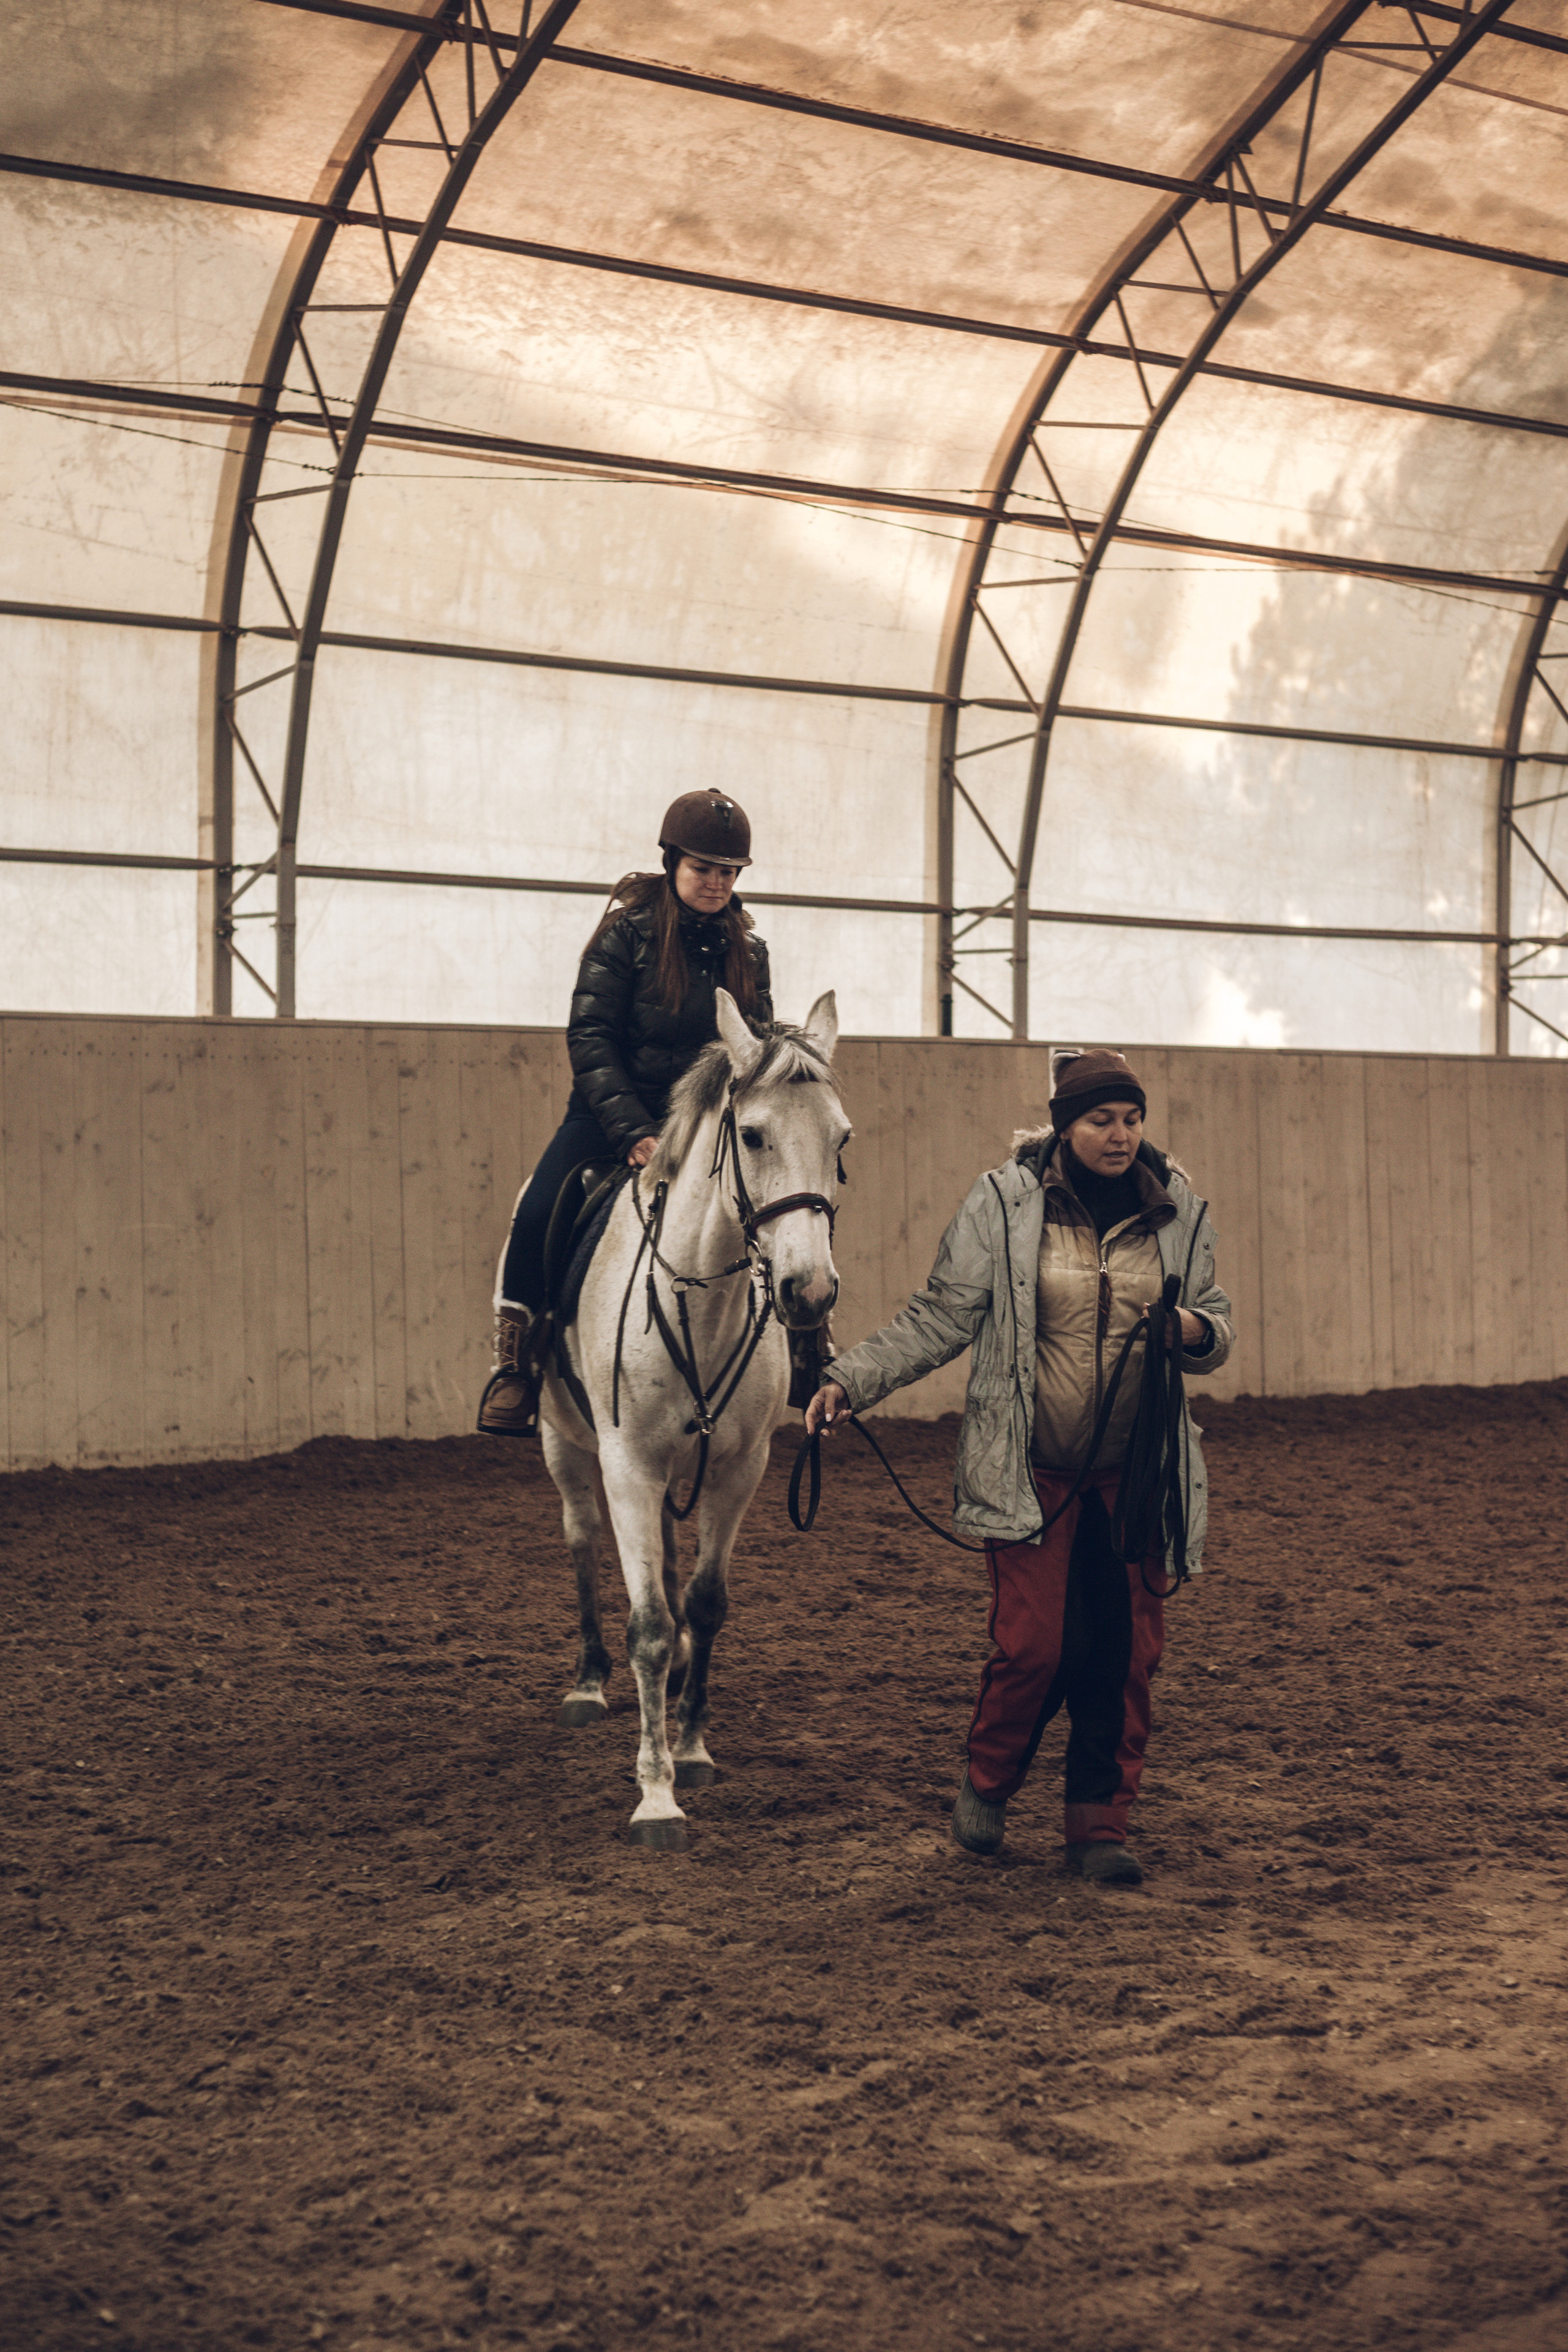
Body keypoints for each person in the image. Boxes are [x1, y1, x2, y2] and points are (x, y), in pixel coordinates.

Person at [805, 1048, 1233, 1886]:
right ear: (1065, 1126)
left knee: (1128, 1655)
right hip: (1031, 1467)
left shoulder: (1178, 1208)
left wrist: (1191, 1329)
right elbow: (943, 1314)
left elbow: (1216, 1324)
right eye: (1102, 1120)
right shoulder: (1004, 1204)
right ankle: (990, 1780)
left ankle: (1098, 1826)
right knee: (1036, 1646)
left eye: (1132, 1119)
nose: (1121, 1135)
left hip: (1137, 1474)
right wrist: (851, 1379)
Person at [478, 790, 771, 1434]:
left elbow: (753, 1048)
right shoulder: (625, 938)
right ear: (672, 863)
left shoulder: (749, 954)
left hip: (705, 1128)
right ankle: (516, 1365)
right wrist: (633, 1130)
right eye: (704, 869)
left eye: (728, 872)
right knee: (536, 1211)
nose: (716, 882)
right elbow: (590, 1038)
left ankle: (809, 1347)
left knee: (785, 1205)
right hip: (610, 1119)